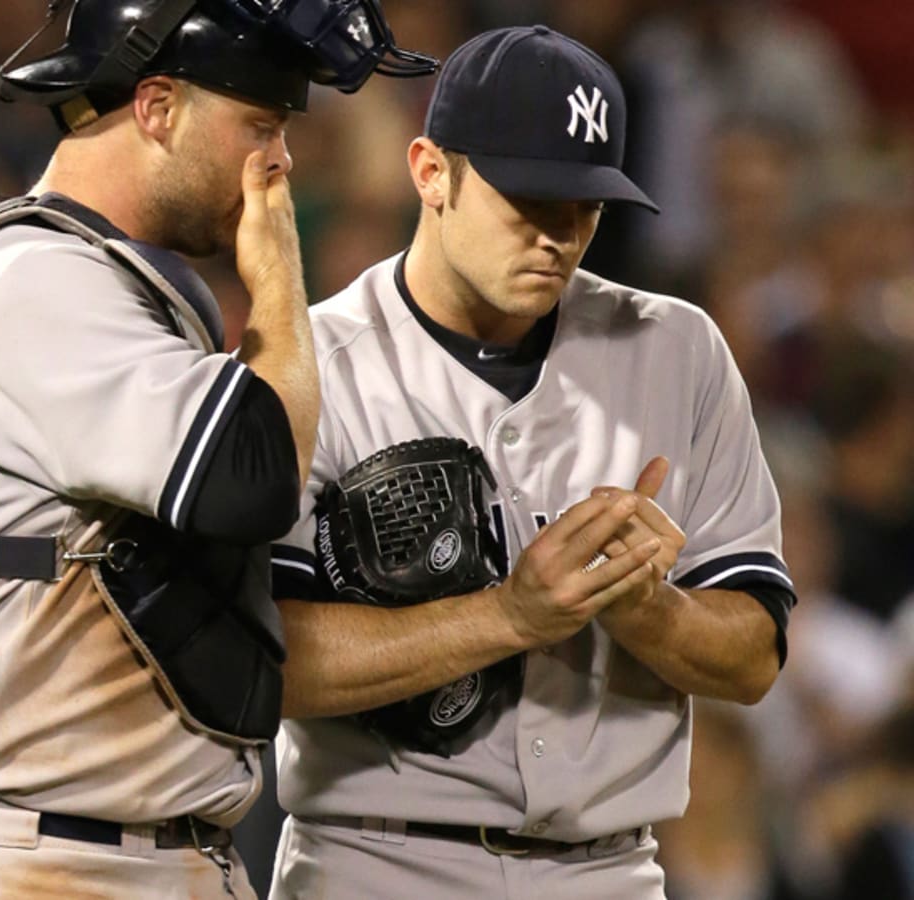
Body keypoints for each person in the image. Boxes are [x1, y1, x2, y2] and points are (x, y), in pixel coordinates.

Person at [0, 2, 437, 898]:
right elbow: (253, 479)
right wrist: (282, 281)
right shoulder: (34, 282)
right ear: (157, 107)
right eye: (260, 124)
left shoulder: (90, 292)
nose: (280, 163)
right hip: (31, 856)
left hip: (119, 853)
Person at [267, 25, 796, 899]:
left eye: (583, 206)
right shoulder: (315, 363)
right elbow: (270, 661)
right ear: (431, 171)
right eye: (529, 199)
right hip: (378, 864)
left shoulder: (676, 350)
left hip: (611, 870)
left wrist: (647, 610)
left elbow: (755, 657)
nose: (557, 235)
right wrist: (510, 616)